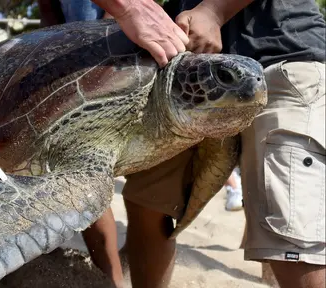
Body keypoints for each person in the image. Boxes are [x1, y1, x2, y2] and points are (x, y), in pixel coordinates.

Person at [88, 0, 326, 287]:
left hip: (283, 53)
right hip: (186, 72)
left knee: (289, 231)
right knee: (148, 202)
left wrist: (215, 11)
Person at [37, 1, 123, 287]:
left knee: (86, 178)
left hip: (109, 63)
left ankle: (114, 278)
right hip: (66, 67)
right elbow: (49, 13)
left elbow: (120, 17)